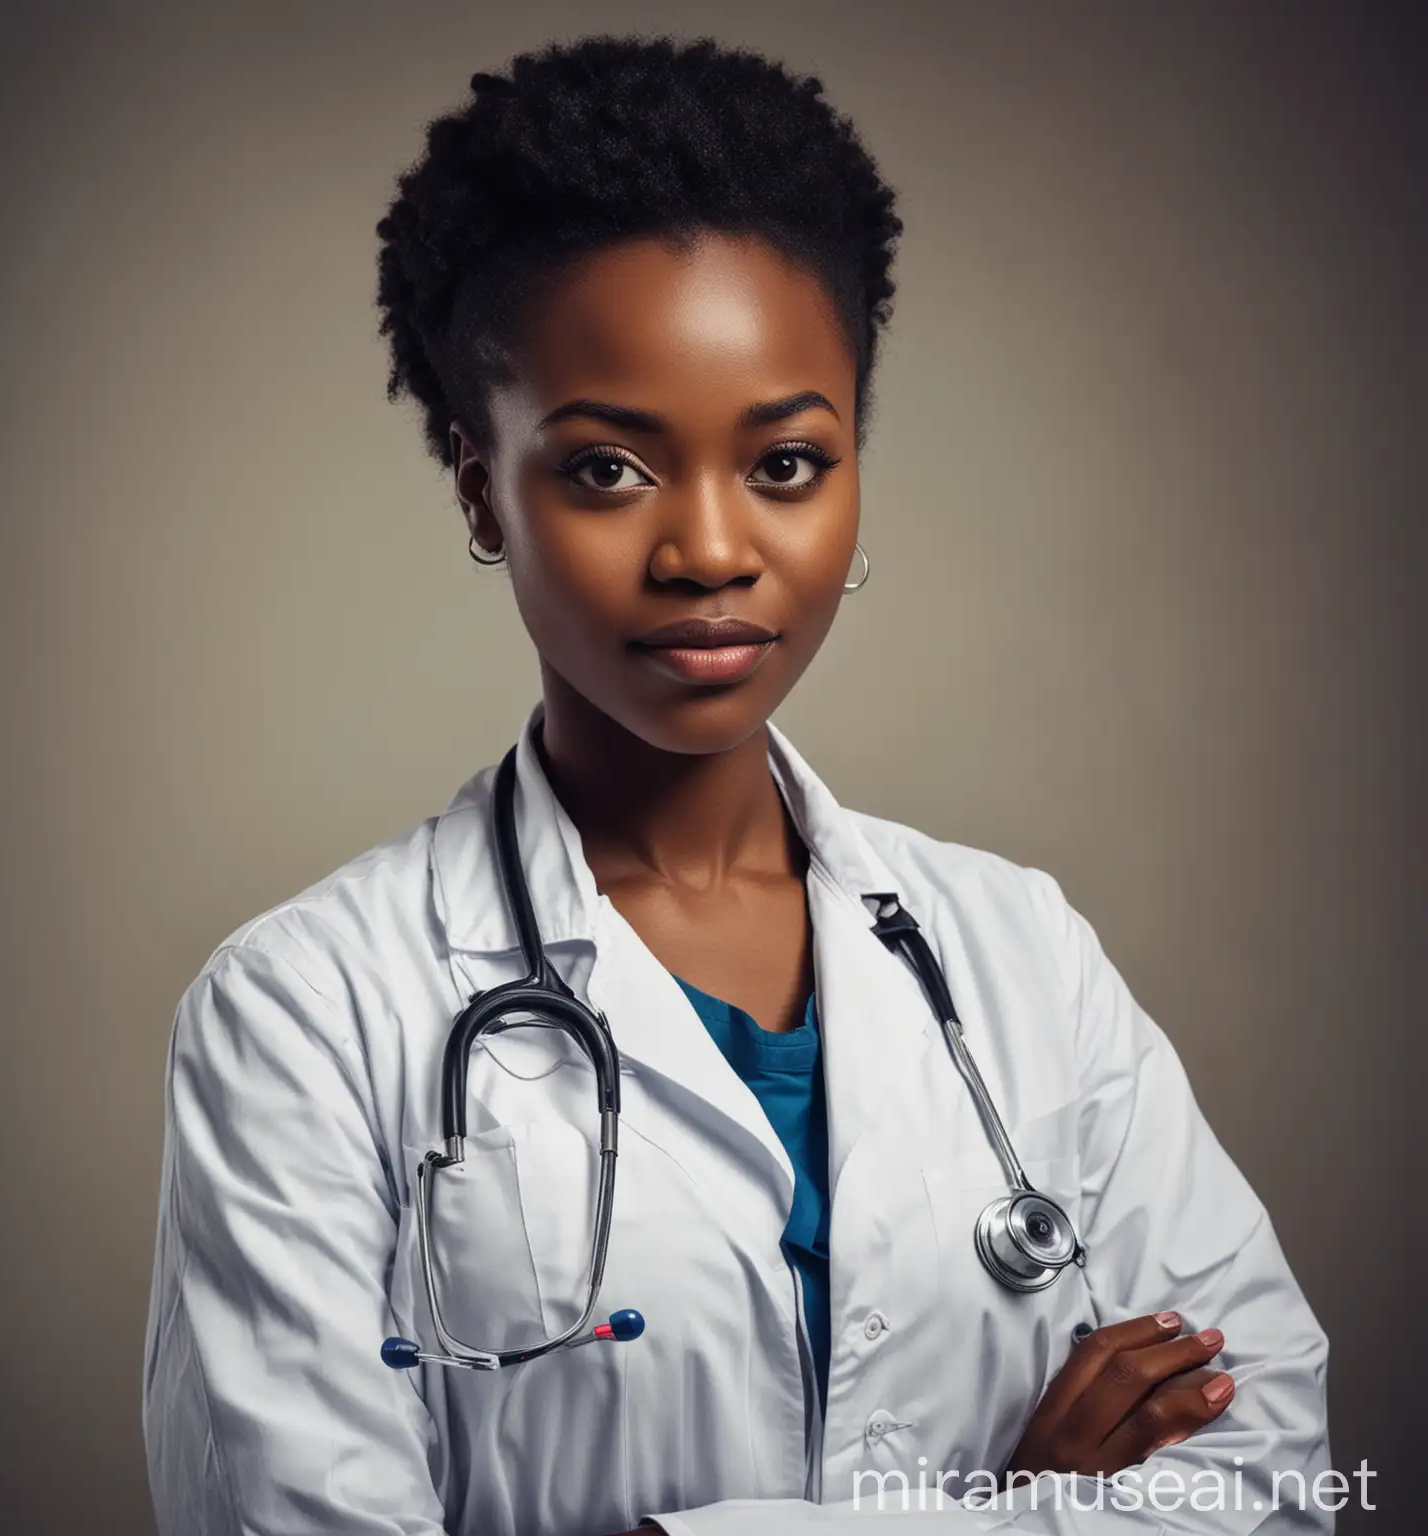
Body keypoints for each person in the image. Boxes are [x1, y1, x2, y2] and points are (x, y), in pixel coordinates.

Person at [142, 33, 1331, 1536]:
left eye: (785, 464)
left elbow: (1275, 1468)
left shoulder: (1020, 954)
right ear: (474, 484)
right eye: (605, 471)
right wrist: (1011, 1516)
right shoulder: (304, 1015)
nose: (710, 549)